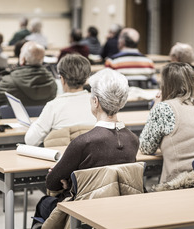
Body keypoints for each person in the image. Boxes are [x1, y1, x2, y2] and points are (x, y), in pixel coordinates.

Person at [32, 67, 139, 228]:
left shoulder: (83, 142)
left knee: (44, 203)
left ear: (95, 102)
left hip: (82, 215)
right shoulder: (133, 140)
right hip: (118, 213)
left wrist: (71, 183)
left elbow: (51, 183)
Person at [139, 62, 194, 187]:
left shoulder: (164, 107)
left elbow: (146, 147)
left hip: (183, 182)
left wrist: (155, 106)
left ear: (166, 84)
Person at [25, 54, 96, 146]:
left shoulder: (53, 106)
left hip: (62, 157)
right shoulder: (97, 103)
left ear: (62, 79)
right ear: (87, 79)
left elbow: (30, 140)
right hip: (93, 157)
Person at [0, 41, 57, 110]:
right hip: (43, 120)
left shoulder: (9, 82)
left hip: (13, 120)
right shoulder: (52, 83)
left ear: (22, 59)